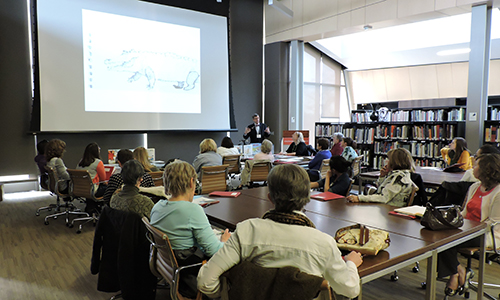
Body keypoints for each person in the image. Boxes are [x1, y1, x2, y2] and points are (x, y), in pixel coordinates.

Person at [197, 164, 362, 299]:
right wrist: (351, 264)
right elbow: (350, 290)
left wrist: (228, 293)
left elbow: (205, 281)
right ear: (307, 197)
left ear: (269, 198)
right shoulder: (323, 243)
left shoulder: (246, 231)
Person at [150, 161, 231, 298]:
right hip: (190, 271)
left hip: (169, 268)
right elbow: (215, 251)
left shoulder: (157, 207)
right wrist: (224, 241)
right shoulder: (193, 210)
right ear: (191, 182)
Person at [437, 153, 500, 297]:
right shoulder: (474, 187)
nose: (472, 168)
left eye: (476, 165)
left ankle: (455, 274)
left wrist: (467, 229)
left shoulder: (499, 192)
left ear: (487, 170)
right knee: (438, 234)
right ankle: (458, 271)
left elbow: (494, 223)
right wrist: (452, 221)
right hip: (467, 229)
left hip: (489, 234)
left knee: (446, 240)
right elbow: (464, 212)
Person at [346, 148, 416, 207]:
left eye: (388, 159)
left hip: (389, 208)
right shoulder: (398, 174)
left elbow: (384, 197)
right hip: (386, 206)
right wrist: (382, 177)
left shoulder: (399, 178)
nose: (386, 161)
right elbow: (382, 190)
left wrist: (359, 198)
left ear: (394, 162)